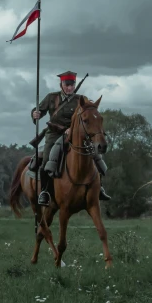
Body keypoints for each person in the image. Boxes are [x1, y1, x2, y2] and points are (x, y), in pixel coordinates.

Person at [31, 71, 110, 207]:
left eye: (72, 85)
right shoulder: (51, 97)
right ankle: (45, 192)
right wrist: (35, 114)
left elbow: (90, 112)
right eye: (67, 85)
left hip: (75, 135)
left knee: (95, 155)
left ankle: (99, 187)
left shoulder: (81, 99)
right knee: (48, 157)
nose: (69, 88)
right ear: (61, 84)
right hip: (54, 133)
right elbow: (39, 111)